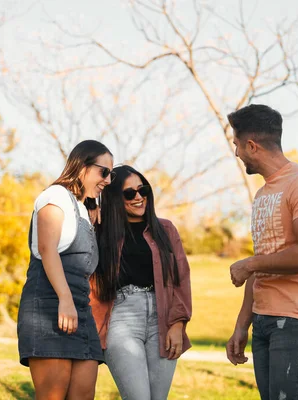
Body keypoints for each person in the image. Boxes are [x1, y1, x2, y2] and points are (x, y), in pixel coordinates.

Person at [225, 104, 298, 400]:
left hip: (296, 320)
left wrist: (249, 264)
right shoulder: (263, 194)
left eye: (236, 145)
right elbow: (262, 264)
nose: (236, 153)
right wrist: (241, 325)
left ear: (251, 145)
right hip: (264, 319)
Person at [17, 140, 115, 400]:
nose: (107, 180)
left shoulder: (83, 209)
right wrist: (65, 299)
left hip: (80, 312)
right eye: (103, 172)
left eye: (111, 174)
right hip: (51, 308)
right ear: (82, 166)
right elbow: (47, 249)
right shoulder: (55, 197)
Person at [90, 165, 192, 400]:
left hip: (163, 317)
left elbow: (181, 278)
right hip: (123, 318)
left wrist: (178, 323)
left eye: (142, 190)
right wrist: (91, 209)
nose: (138, 197)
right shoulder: (102, 231)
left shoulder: (165, 229)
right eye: (129, 193)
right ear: (115, 198)